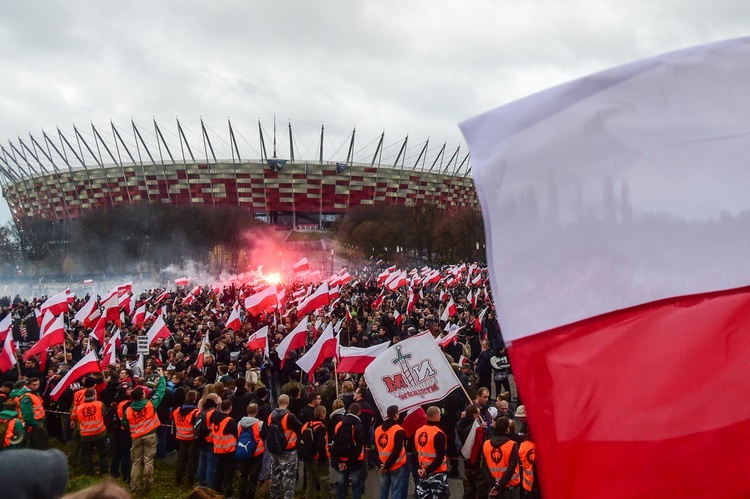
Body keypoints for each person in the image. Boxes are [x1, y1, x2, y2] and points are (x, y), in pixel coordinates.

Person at [122, 367, 166, 494]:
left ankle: (134, 486)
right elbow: (161, 391)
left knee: (136, 462)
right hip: (150, 435)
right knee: (148, 460)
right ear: (143, 395)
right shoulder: (150, 404)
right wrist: (162, 377)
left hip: (136, 437)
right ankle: (147, 483)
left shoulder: (128, 410)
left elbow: (125, 424)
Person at [268, 393, 303, 499]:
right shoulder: (289, 417)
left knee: (275, 476)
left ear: (278, 402)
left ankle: (274, 496)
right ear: (288, 403)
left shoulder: (271, 416)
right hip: (289, 450)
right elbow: (300, 428)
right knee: (289, 477)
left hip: (275, 449)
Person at [413, 406, 450, 499]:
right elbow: (440, 457)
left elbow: (414, 454)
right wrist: (427, 471)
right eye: (440, 415)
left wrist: (419, 469)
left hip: (422, 472)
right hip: (438, 473)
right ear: (436, 417)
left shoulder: (418, 431)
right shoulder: (439, 434)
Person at [332, 402, 366, 499]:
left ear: (348, 410)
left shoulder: (339, 424)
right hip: (356, 462)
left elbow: (334, 443)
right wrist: (349, 462)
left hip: (341, 460)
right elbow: (359, 447)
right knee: (356, 488)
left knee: (341, 486)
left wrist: (339, 461)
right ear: (359, 413)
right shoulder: (359, 427)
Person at [482, 417, 520, 499]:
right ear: (507, 429)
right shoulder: (512, 445)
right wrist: (500, 485)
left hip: (492, 486)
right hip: (510, 487)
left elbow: (483, 467)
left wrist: (493, 485)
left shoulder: (486, 444)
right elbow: (511, 468)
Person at [375, 405, 407, 499]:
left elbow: (373, 449)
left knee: (383, 492)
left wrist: (380, 464)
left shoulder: (377, 429)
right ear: (396, 415)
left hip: (382, 465)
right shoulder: (399, 430)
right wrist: (387, 466)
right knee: (396, 492)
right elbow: (397, 450)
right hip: (396, 466)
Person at [76, 387, 109, 476]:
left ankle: (89, 473)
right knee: (103, 453)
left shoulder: (79, 407)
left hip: (85, 435)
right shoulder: (99, 404)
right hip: (99, 433)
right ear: (94, 395)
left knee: (87, 455)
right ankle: (104, 472)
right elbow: (106, 414)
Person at [457, 404, 487, 499]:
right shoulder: (476, 429)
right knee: (479, 491)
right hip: (476, 462)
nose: (479, 416)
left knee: (468, 490)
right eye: (478, 414)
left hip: (466, 463)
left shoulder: (459, 424)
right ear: (474, 415)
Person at [300, 404, 331, 499]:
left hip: (308, 457)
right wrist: (323, 458)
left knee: (310, 483)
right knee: (325, 483)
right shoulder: (321, 427)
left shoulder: (306, 425)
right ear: (322, 414)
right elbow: (321, 445)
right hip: (318, 459)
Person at [237, 403, 266, 499]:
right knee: (253, 476)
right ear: (256, 411)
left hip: (243, 451)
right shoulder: (259, 424)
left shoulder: (240, 423)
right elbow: (264, 436)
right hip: (256, 453)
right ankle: (250, 495)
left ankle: (242, 494)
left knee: (243, 475)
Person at [11, 378, 49, 449]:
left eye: (37, 384)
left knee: (32, 443)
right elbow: (27, 412)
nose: (36, 386)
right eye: (34, 385)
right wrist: (32, 423)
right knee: (42, 442)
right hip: (34, 422)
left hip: (38, 420)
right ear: (28, 385)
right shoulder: (27, 397)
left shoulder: (34, 394)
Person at [211, 398, 238, 498]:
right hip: (228, 450)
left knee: (218, 471)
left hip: (217, 449)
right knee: (228, 473)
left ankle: (217, 490)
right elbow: (237, 432)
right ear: (230, 408)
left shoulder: (215, 419)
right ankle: (227, 492)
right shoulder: (229, 421)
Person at [173, 389, 200, 487]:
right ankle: (190, 480)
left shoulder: (177, 410)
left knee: (181, 458)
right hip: (191, 438)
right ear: (195, 399)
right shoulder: (196, 412)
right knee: (192, 459)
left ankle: (178, 479)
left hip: (180, 436)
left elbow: (175, 422)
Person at [518, 431, 538, 499]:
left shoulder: (523, 445)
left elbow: (521, 459)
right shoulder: (540, 445)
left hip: (526, 481)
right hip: (538, 482)